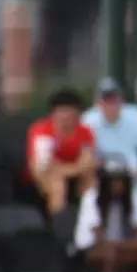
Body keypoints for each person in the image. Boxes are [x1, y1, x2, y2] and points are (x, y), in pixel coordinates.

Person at [26, 87, 98, 215]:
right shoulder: (42, 130)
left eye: (70, 111)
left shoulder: (85, 131)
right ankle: (60, 226)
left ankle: (89, 223)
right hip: (41, 176)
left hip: (72, 173)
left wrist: (68, 170)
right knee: (57, 184)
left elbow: (88, 162)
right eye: (62, 111)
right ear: (53, 113)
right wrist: (72, 169)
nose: (65, 116)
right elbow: (43, 165)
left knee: (90, 179)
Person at [74, 164, 137, 272]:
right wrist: (122, 246)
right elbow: (99, 237)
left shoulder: (133, 197)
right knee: (109, 253)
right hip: (90, 246)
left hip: (124, 246)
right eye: (114, 181)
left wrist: (132, 246)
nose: (118, 185)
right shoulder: (91, 197)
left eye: (121, 181)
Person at [82, 78, 137, 177]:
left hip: (132, 174)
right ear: (97, 103)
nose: (110, 104)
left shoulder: (135, 114)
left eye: (113, 99)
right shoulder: (88, 120)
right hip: (101, 175)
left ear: (121, 99)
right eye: (106, 99)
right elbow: (85, 153)